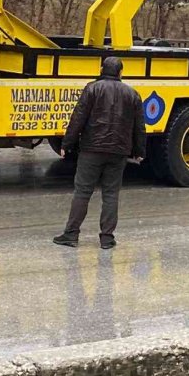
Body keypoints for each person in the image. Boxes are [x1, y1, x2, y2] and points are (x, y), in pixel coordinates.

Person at [53, 57, 146, 250]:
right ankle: (107, 238)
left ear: (102, 69)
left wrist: (67, 143)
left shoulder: (92, 88)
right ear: (121, 72)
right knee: (111, 194)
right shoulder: (132, 94)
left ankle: (71, 234)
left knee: (83, 192)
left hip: (91, 150)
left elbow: (78, 117)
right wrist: (139, 150)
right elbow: (139, 126)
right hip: (119, 151)